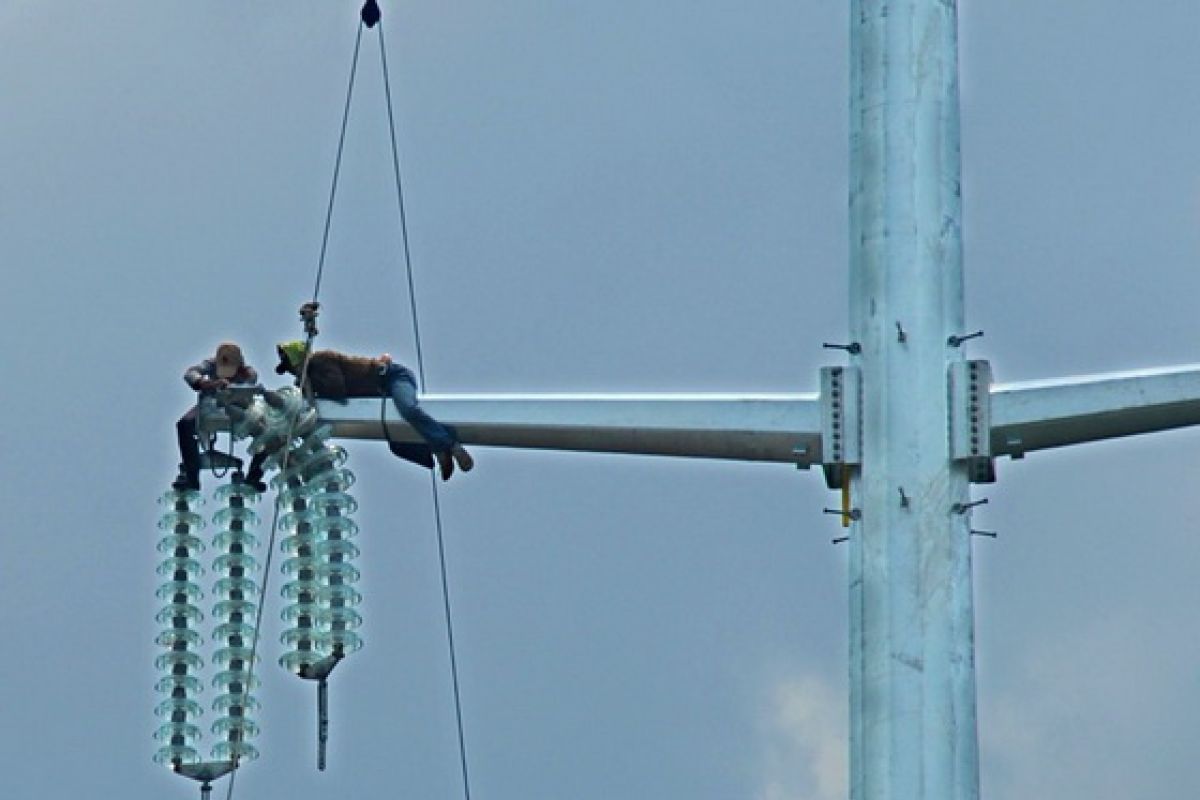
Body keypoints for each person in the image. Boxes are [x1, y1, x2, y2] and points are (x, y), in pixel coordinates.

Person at [274, 340, 474, 480]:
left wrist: (311, 386)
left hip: (393, 378)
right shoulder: (312, 375)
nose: (292, 371)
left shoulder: (320, 360)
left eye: (291, 366)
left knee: (408, 409)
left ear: (298, 359)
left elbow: (338, 390)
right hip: (380, 392)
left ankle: (450, 444)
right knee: (398, 444)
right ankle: (437, 448)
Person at [175, 342, 268, 492]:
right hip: (210, 406)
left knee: (268, 433)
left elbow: (249, 386)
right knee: (184, 424)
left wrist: (232, 390)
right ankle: (191, 477)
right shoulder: (210, 364)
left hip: (239, 410)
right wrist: (205, 383)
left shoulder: (248, 373)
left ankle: (254, 476)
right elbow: (190, 373)